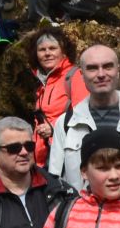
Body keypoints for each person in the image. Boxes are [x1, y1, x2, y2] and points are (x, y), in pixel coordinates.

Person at [47, 42, 120, 187]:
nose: (101, 74)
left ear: (118, 71)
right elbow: (55, 181)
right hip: (81, 208)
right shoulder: (66, 123)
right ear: (82, 75)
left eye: (108, 66)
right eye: (92, 68)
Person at [28, 29, 85, 174]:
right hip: (43, 157)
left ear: (64, 52)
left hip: (66, 156)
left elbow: (83, 113)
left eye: (53, 48)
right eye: (42, 50)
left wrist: (53, 128)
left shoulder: (74, 76)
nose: (47, 53)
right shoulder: (40, 83)